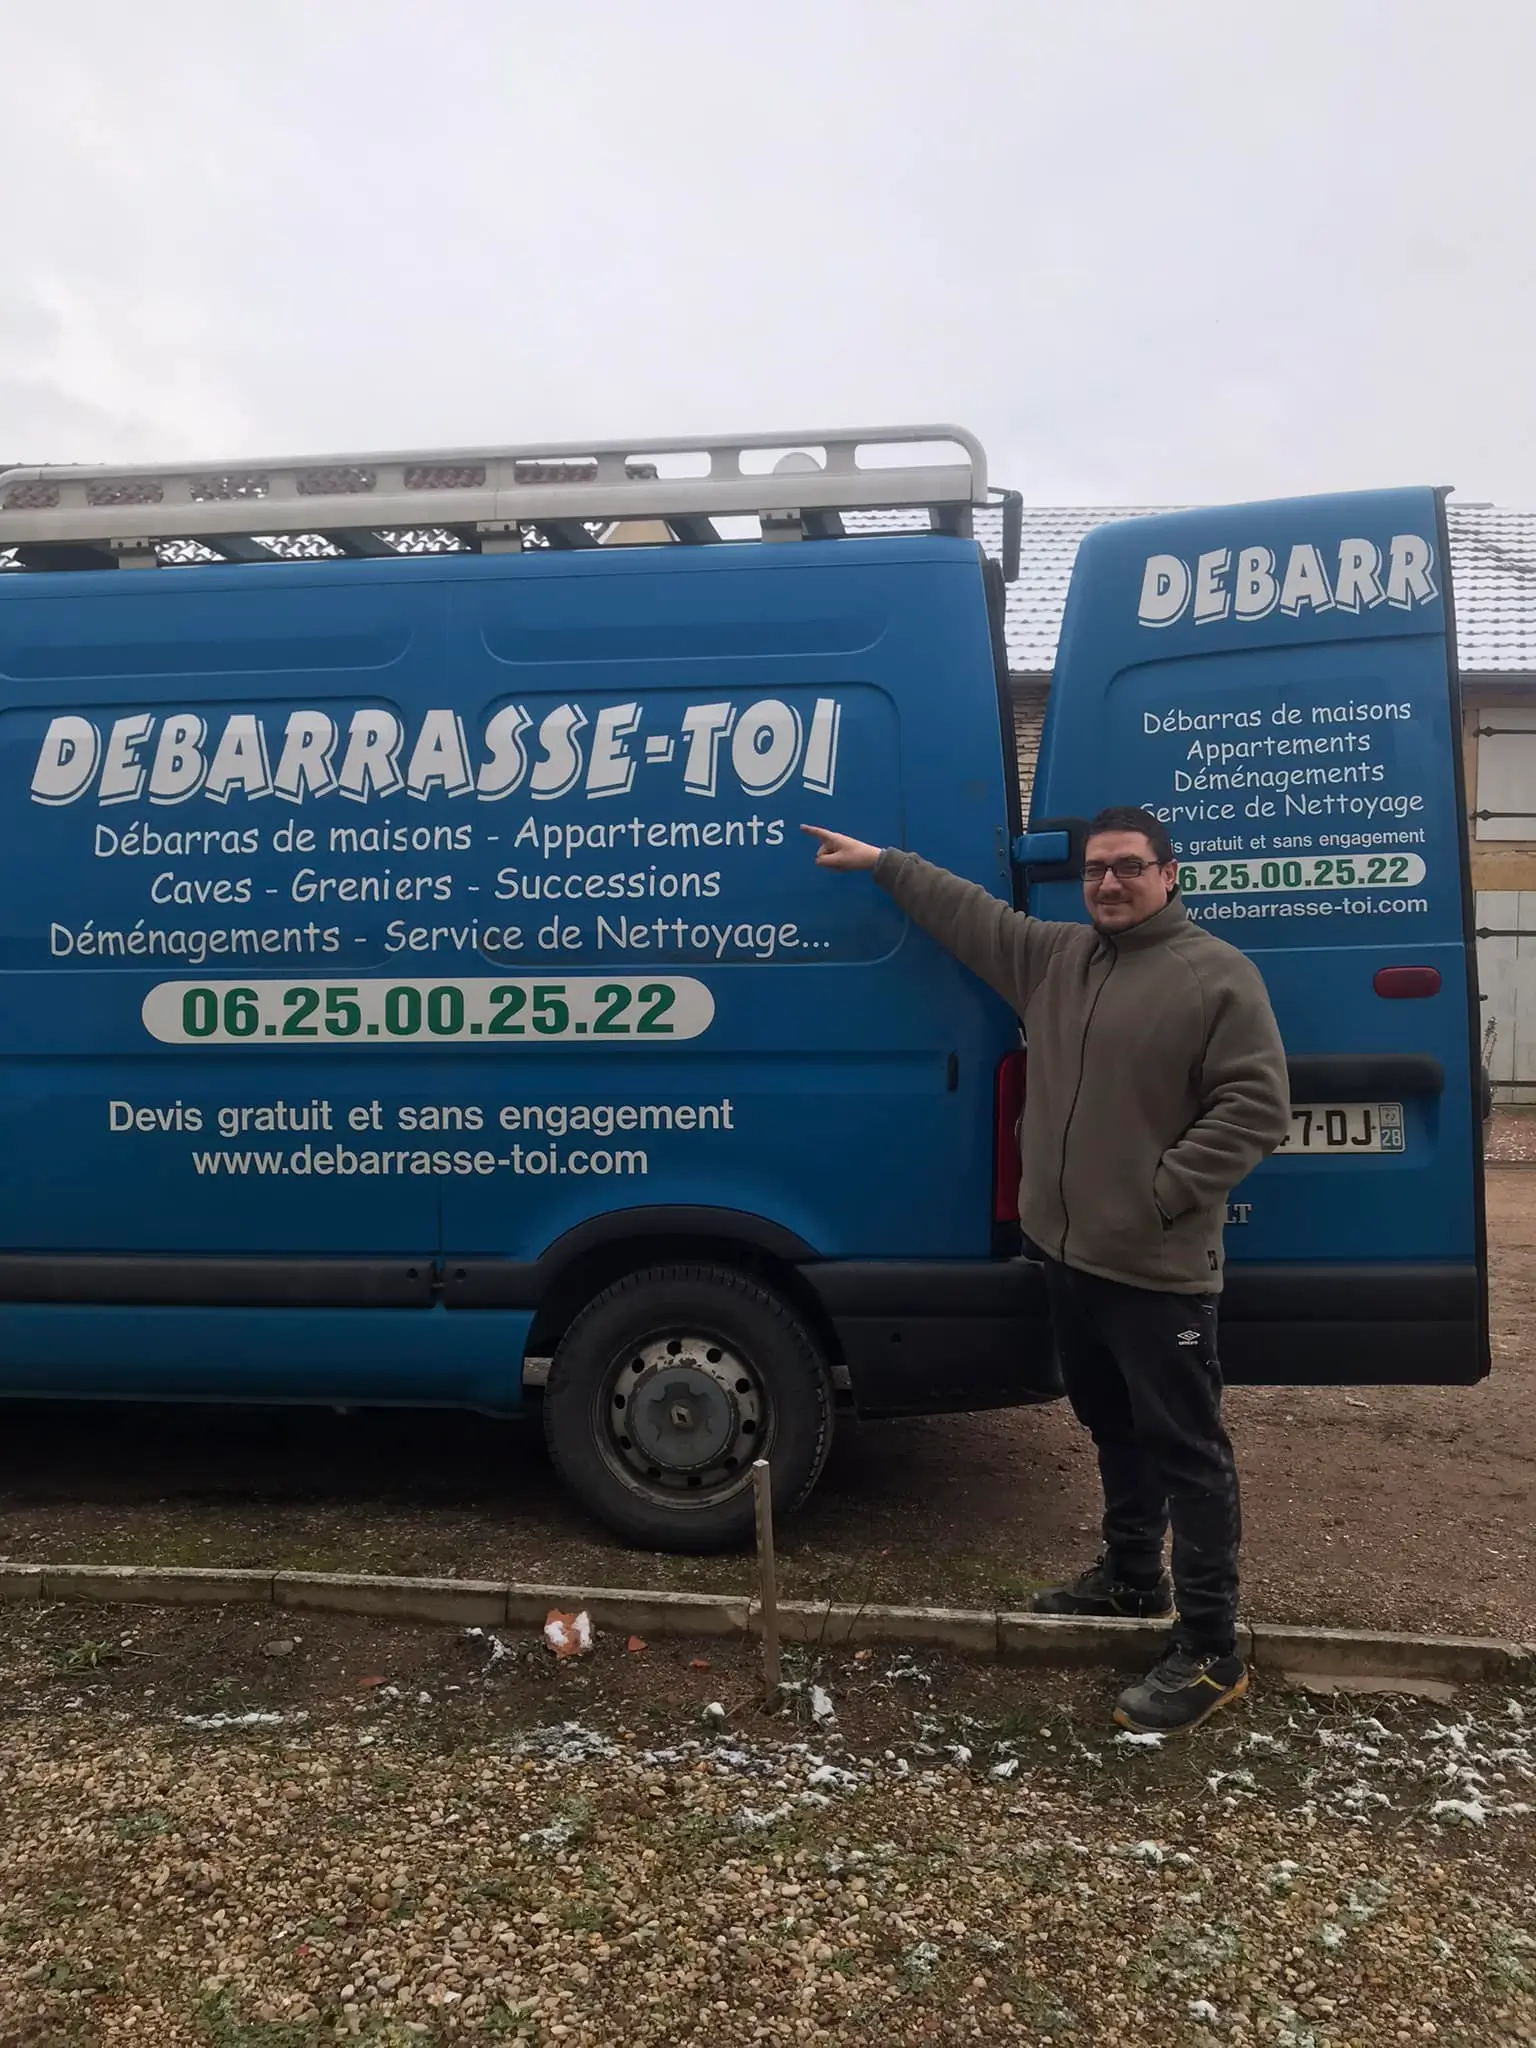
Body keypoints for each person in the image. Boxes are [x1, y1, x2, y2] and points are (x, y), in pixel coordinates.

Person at [802, 807, 1289, 1734]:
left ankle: (1214, 1647)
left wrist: (1160, 1192)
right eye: (1096, 871)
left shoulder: (1216, 975)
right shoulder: (1058, 958)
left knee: (1188, 1448)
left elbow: (1257, 1106)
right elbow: (970, 916)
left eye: (1129, 869)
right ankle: (1131, 1579)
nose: (1109, 884)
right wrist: (882, 863)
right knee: (1111, 1421)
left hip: (1158, 1265)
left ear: (1169, 874)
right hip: (1068, 1258)